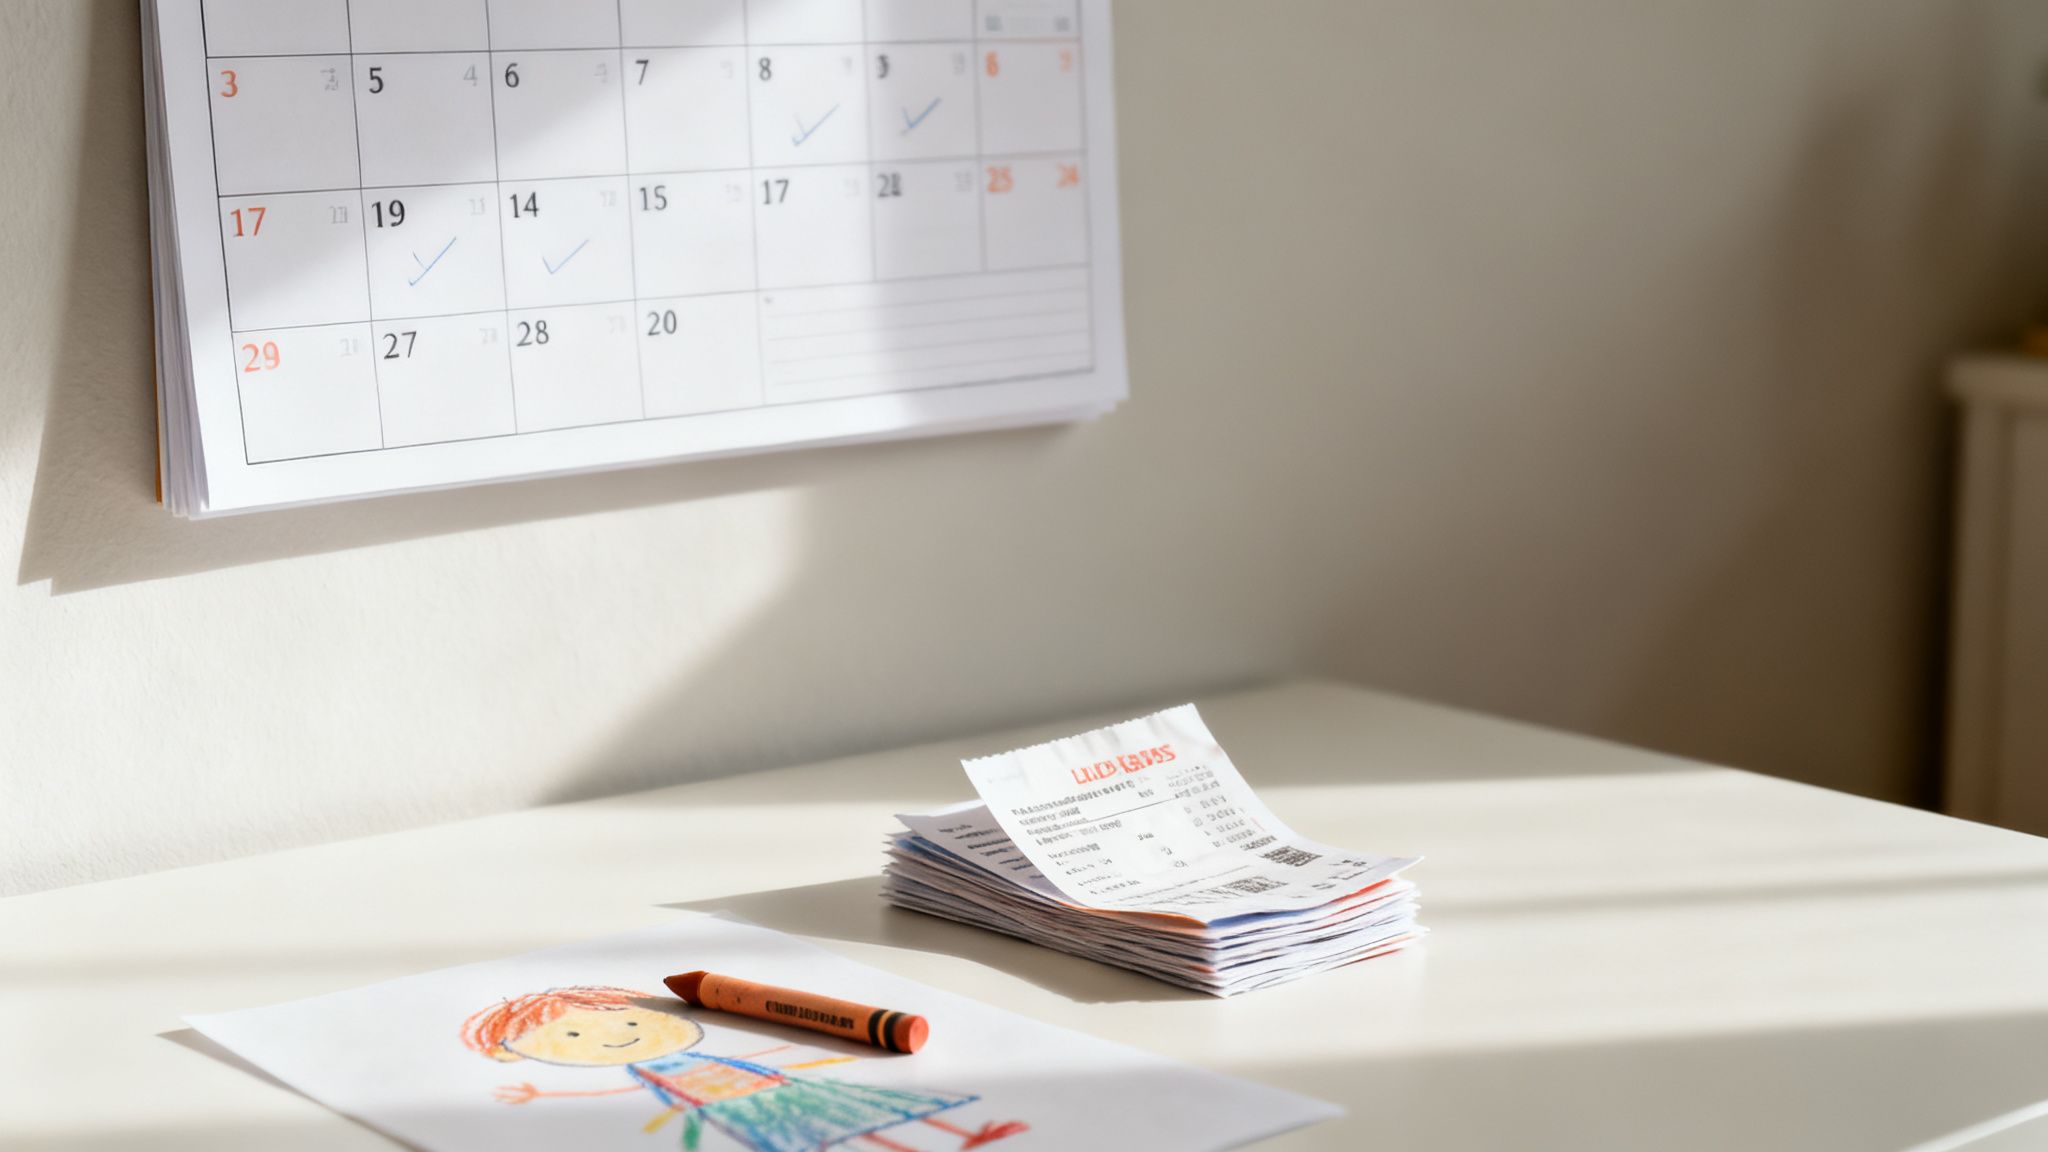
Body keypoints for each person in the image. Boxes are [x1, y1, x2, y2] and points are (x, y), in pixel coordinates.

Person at [462, 985, 1027, 1152]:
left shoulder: (683, 1051)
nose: (622, 1034)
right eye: (578, 1036)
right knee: (825, 1133)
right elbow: (662, 1098)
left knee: (863, 1111)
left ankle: (965, 1139)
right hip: (742, 1108)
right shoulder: (651, 1072)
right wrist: (543, 1096)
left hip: (769, 1087)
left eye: (613, 1020)